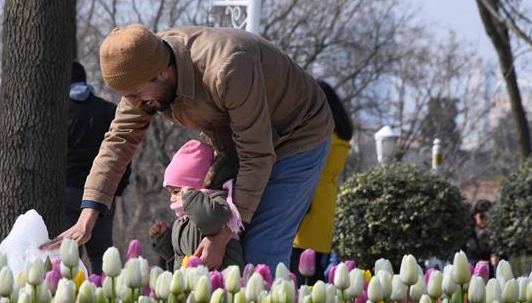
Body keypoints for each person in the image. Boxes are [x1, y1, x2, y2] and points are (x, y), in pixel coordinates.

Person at [46, 24, 333, 272]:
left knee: (259, 247)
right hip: (237, 138)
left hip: (298, 133)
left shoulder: (228, 66)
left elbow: (257, 155)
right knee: (214, 232)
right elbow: (118, 141)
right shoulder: (141, 69)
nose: (134, 104)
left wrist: (222, 235)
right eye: (126, 97)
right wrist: (87, 217)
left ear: (161, 73)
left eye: (135, 95)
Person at [67, 61, 131, 271]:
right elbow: (123, 153)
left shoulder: (59, 113)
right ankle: (104, 298)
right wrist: (117, 189)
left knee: (68, 254)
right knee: (102, 256)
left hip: (67, 190)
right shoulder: (108, 110)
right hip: (104, 191)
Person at [289, 80, 354, 282]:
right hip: (325, 203)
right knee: (315, 268)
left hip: (308, 200)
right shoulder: (341, 136)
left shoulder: (322, 134)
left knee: (298, 269)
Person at [149, 140, 244, 270]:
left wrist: (190, 196)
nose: (171, 199)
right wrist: (163, 239)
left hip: (219, 280)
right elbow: (179, 257)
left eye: (176, 191)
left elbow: (211, 222)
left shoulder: (217, 201)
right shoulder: (182, 221)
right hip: (193, 283)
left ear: (194, 187)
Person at [465, 199, 495, 271]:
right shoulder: (467, 234)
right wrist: (478, 263)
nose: (485, 220)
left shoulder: (495, 235)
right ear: (475, 216)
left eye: (487, 217)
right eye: (481, 216)